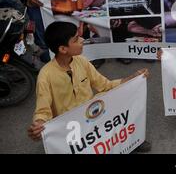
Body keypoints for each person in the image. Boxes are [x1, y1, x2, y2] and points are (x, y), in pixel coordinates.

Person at [27, 21, 152, 152]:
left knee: (123, 98)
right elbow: (43, 110)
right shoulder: (45, 75)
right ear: (63, 49)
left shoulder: (82, 61)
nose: (82, 40)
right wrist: (39, 124)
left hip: (93, 114)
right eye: (76, 39)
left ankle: (131, 139)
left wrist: (132, 79)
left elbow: (105, 86)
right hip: (70, 127)